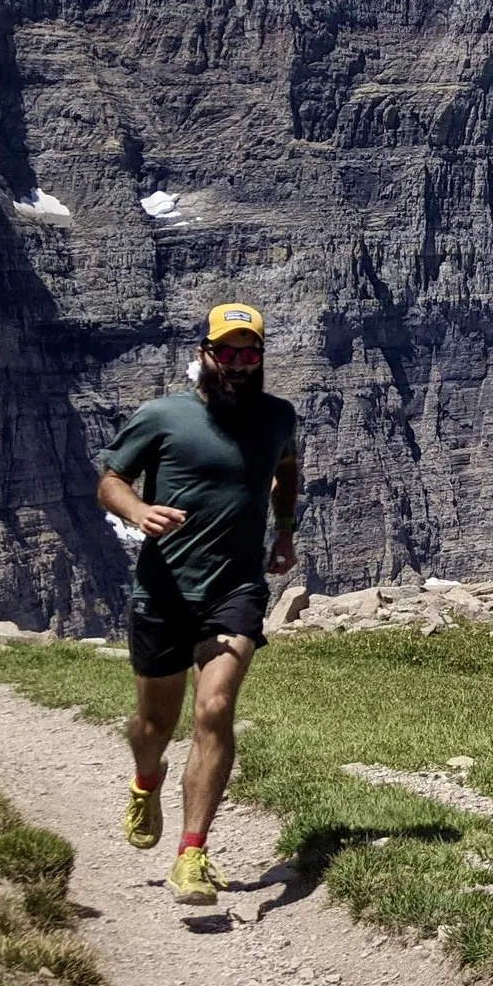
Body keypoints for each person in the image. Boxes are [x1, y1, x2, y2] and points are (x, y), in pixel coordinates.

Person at [97, 302, 300, 907]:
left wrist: (284, 532)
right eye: (228, 352)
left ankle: (192, 852)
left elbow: (286, 470)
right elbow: (110, 478)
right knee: (153, 726)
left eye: (250, 353)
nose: (239, 365)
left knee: (214, 710)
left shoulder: (278, 417)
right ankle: (146, 778)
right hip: (162, 591)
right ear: (206, 354)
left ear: (261, 358)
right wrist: (137, 512)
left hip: (234, 591)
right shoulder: (163, 416)